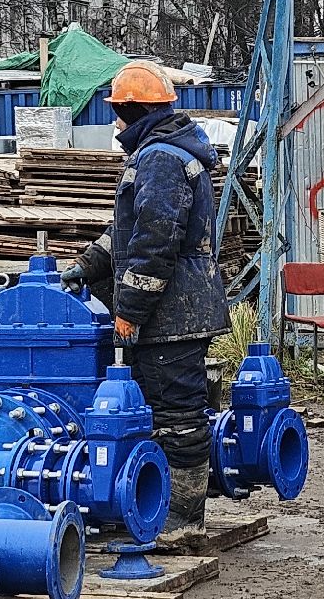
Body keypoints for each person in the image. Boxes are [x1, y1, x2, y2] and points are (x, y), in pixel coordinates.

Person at [65, 60, 228, 546]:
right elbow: (127, 230)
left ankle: (182, 521)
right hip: (179, 307)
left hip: (172, 312)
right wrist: (89, 263)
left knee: (177, 415)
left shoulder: (159, 158)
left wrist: (129, 310)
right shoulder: (164, 152)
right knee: (157, 410)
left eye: (117, 112)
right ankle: (153, 506)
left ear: (133, 111)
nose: (114, 123)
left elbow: (155, 242)